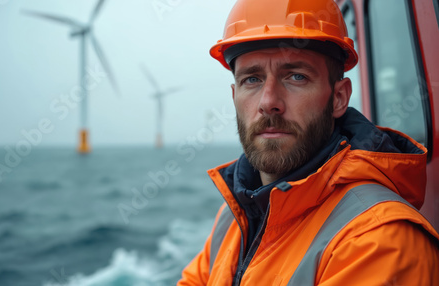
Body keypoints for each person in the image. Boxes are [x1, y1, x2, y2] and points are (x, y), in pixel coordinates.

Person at [177, 0, 439, 285]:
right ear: (234, 97)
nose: (268, 102)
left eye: (296, 77)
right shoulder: (233, 217)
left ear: (338, 97)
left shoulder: (377, 240)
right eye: (252, 79)